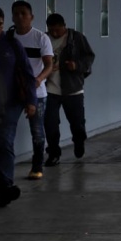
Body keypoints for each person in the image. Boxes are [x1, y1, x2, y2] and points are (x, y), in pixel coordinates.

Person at [0, 5, 36, 208]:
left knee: (5, 145)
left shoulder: (11, 44)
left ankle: (5, 189)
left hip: (9, 105)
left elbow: (27, 74)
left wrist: (31, 101)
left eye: (0, 24)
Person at [44, 13, 96, 166]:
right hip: (50, 89)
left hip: (73, 89)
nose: (54, 33)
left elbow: (89, 57)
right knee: (50, 123)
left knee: (77, 123)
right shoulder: (44, 39)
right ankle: (53, 153)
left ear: (64, 26)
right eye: (51, 30)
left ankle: (79, 141)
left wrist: (76, 66)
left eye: (57, 30)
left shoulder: (76, 38)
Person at [10, 0, 54, 180]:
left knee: (37, 130)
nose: (20, 17)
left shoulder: (41, 38)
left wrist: (39, 79)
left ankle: (37, 165)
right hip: (13, 92)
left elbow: (49, 64)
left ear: (31, 17)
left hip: (37, 93)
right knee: (7, 129)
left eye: (23, 13)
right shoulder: (9, 38)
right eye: (16, 14)